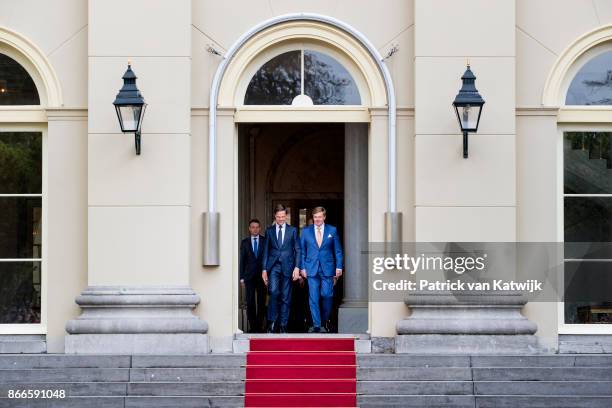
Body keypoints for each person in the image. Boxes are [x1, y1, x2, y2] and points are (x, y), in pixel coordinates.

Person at [300, 206, 343, 333]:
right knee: (313, 297)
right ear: (313, 218)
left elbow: (338, 250)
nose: (317, 219)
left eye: (319, 217)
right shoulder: (306, 231)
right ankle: (317, 325)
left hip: (328, 268)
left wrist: (339, 266)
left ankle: (324, 321)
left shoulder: (332, 230)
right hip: (311, 269)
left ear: (324, 217)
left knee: (327, 295)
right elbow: (302, 251)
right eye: (315, 217)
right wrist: (302, 267)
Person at [262, 204, 301, 333]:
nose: (281, 219)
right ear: (275, 216)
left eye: (283, 216)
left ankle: (283, 324)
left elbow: (297, 250)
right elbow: (266, 251)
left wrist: (297, 268)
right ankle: (272, 322)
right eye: (278, 217)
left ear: (286, 216)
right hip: (273, 267)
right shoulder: (269, 231)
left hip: (288, 267)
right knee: (273, 292)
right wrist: (264, 269)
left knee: (285, 297)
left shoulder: (293, 230)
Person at [239, 219, 266, 333]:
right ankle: (253, 327)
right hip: (249, 277)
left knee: (261, 302)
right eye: (252, 227)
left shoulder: (265, 241)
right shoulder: (244, 242)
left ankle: (259, 327)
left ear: (259, 228)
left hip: (262, 276)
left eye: (257, 227)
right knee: (250, 302)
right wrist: (241, 277)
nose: (255, 229)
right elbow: (242, 261)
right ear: (249, 229)